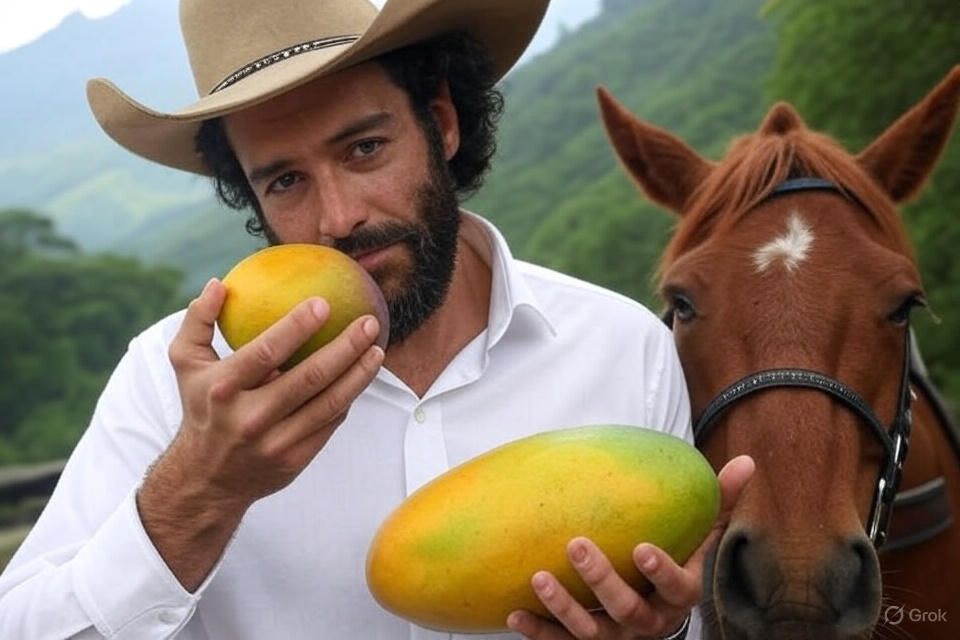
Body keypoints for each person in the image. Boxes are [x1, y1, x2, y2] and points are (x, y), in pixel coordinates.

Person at [0, 0, 753, 638]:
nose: (338, 217)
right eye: (285, 180)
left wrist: (658, 630)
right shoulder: (173, 383)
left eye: (364, 148)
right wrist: (200, 490)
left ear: (443, 124)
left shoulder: (624, 350)